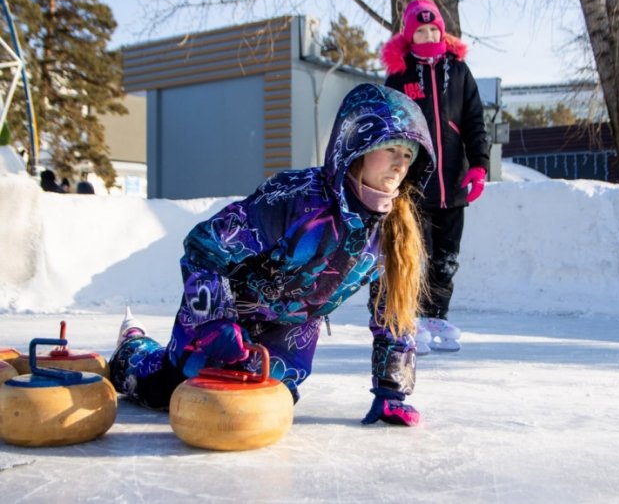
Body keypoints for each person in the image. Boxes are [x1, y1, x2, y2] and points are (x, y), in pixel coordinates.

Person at [109, 83, 435, 426]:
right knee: (169, 390)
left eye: (408, 155)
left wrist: (391, 391)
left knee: (259, 407)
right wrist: (214, 321)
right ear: (356, 146)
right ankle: (132, 347)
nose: (400, 164)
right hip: (227, 313)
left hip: (288, 337)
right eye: (391, 149)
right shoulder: (295, 200)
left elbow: (394, 314)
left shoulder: (394, 234)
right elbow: (204, 246)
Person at [381, 0, 490, 354]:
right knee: (415, 257)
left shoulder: (458, 71)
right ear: (410, 36)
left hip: (454, 184)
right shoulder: (400, 74)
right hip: (415, 185)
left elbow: (474, 121)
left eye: (433, 29)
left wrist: (478, 165)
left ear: (442, 31)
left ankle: (435, 315)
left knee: (446, 258)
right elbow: (389, 127)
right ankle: (407, 319)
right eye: (421, 31)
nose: (428, 35)